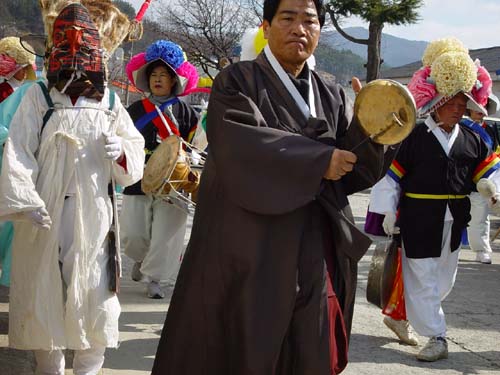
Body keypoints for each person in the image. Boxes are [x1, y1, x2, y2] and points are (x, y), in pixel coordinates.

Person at [151, 0, 394, 373]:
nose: (300, 29)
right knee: (245, 343)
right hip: (252, 244)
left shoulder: (329, 93)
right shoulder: (237, 81)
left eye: (309, 21)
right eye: (288, 18)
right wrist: (317, 161)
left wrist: (372, 128)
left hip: (314, 242)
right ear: (266, 26)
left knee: (311, 343)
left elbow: (351, 169)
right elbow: (240, 146)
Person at [0, 3, 145, 374]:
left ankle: (88, 369)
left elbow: (133, 153)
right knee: (41, 291)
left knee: (94, 294)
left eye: (83, 48)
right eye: (65, 46)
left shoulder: (111, 101)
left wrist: (123, 153)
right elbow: (18, 148)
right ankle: (49, 368)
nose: (75, 55)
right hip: (45, 210)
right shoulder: (38, 97)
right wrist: (24, 200)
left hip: (94, 212)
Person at [370, 37, 500, 362]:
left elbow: (489, 171)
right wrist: (385, 211)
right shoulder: (412, 137)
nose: (459, 108)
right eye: (453, 103)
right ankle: (437, 336)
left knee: (443, 281)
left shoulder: (472, 138)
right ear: (438, 101)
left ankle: (402, 314)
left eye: (463, 103)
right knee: (424, 278)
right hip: (418, 218)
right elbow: (391, 177)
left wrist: (490, 186)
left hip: (455, 220)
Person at [121, 40, 200, 299]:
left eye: (163, 75)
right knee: (134, 234)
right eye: (153, 75)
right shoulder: (134, 110)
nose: (157, 79)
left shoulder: (188, 112)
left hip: (173, 183)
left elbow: (196, 146)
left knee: (166, 235)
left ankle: (155, 279)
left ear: (174, 80)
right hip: (138, 179)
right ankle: (141, 260)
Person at [0, 36, 37, 286]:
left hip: (15, 159)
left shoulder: (29, 93)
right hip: (12, 155)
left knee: (14, 220)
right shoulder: (23, 93)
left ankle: (10, 279)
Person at [460, 80, 500, 264]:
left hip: (482, 182)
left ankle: (481, 249)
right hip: (460, 178)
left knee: (481, 217)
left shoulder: (491, 130)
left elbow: (495, 155)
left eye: (482, 105)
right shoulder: (460, 127)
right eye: (475, 105)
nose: (479, 109)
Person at [0, 36, 36, 103]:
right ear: (14, 70)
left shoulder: (26, 88)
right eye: (23, 68)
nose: (26, 72)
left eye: (27, 68)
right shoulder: (3, 90)